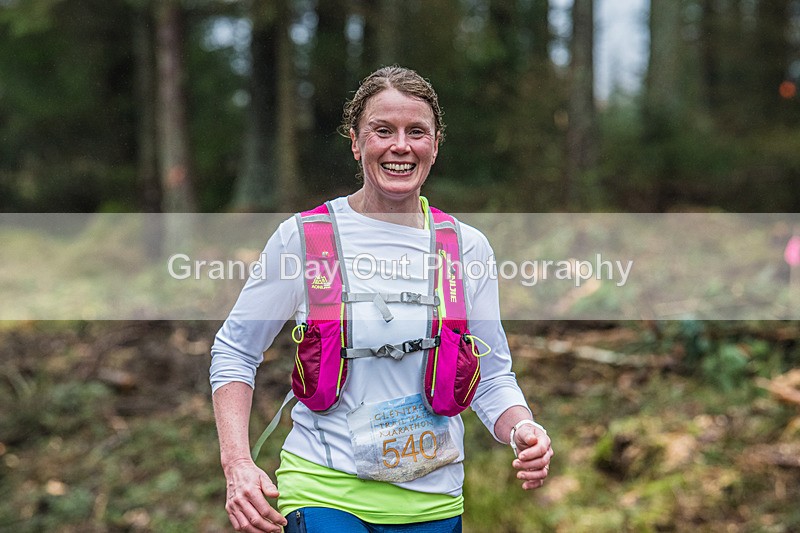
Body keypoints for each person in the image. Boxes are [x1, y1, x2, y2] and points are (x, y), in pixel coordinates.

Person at [210, 65, 553, 533]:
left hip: (434, 504)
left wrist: (521, 429)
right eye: (382, 130)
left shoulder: (466, 247)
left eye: (417, 132)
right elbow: (234, 351)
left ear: (435, 145)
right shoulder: (306, 238)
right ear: (355, 141)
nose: (400, 146)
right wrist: (237, 464)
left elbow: (491, 375)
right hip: (323, 492)